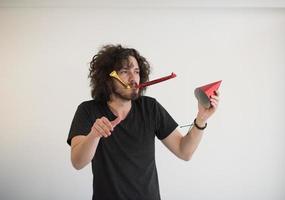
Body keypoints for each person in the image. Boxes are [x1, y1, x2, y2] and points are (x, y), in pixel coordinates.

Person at [67, 44, 220, 200]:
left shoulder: (150, 107)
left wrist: (201, 119)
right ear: (107, 78)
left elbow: (184, 151)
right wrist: (94, 135)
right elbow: (77, 162)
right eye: (125, 72)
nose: (133, 79)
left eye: (137, 71)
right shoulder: (88, 110)